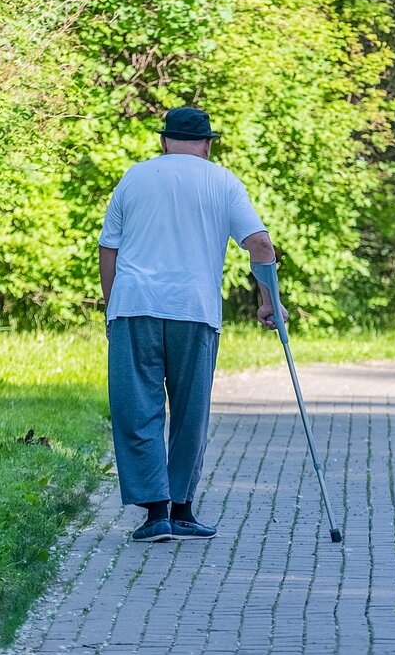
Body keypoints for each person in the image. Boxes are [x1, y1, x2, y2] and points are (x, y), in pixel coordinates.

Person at [99, 106, 285, 543]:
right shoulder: (222, 181)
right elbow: (259, 243)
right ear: (206, 144)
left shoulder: (134, 176)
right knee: (190, 411)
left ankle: (155, 514)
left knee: (137, 409)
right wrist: (269, 302)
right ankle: (182, 510)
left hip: (135, 307)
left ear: (164, 141)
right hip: (194, 309)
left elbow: (109, 248)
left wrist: (112, 308)